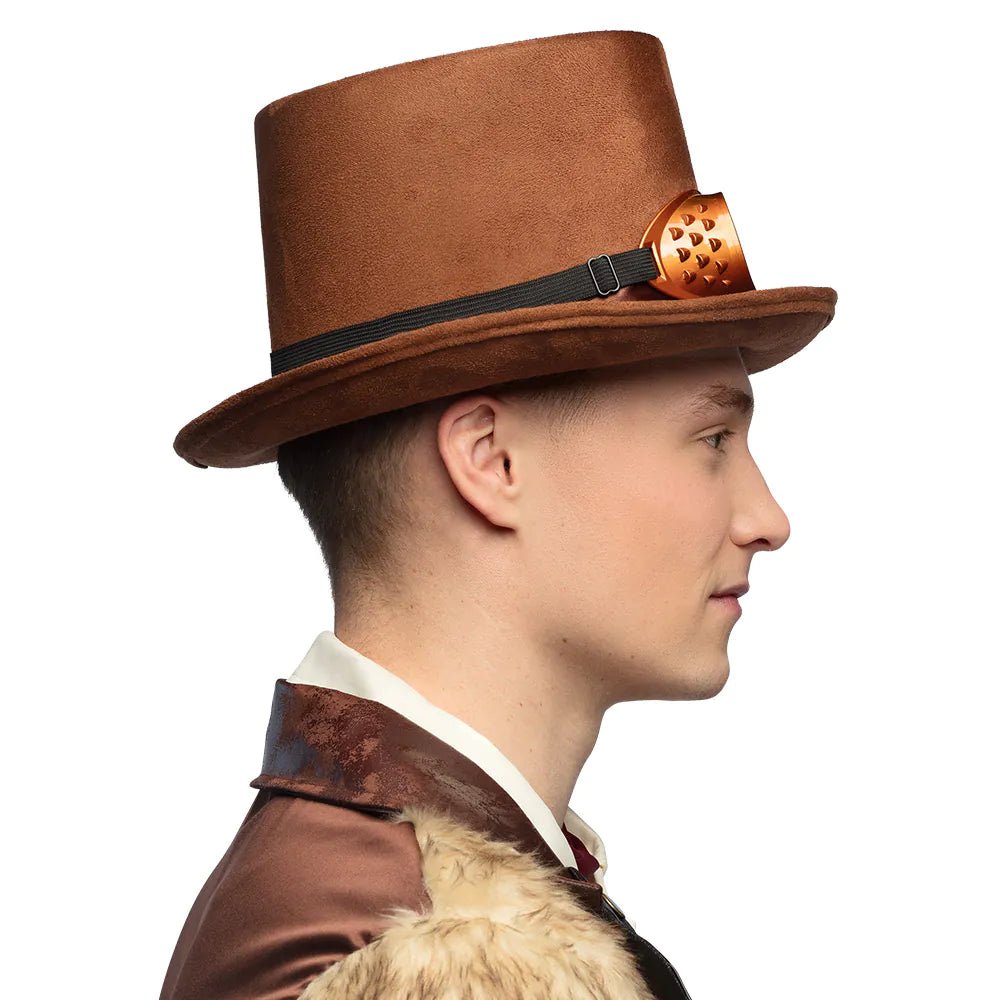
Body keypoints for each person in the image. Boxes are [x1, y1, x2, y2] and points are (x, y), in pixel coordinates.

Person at [161, 28, 836, 1000]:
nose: (767, 518)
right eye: (712, 438)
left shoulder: (379, 891)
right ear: (491, 460)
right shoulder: (436, 958)